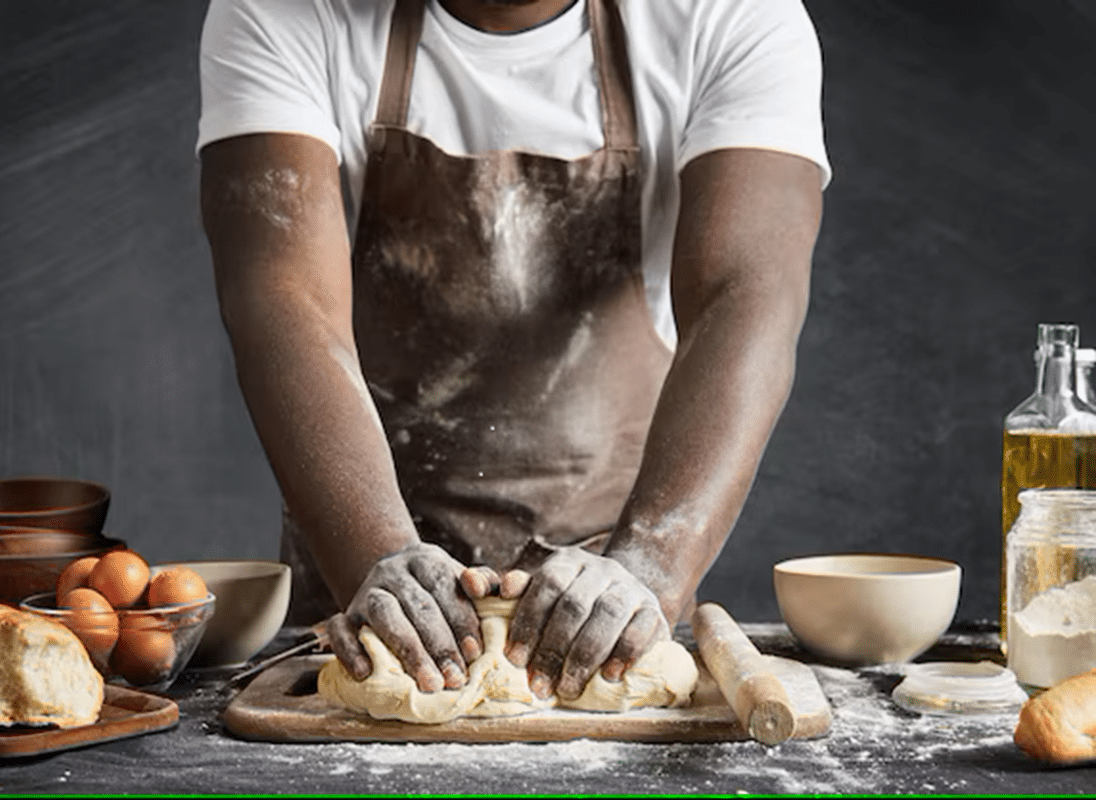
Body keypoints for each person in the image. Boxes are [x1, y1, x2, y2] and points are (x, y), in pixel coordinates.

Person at [197, 0, 829, 703]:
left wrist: (651, 568)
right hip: (366, 582)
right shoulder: (285, 10)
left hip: (600, 597)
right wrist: (377, 556)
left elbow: (744, 299)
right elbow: (285, 304)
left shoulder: (728, 14)